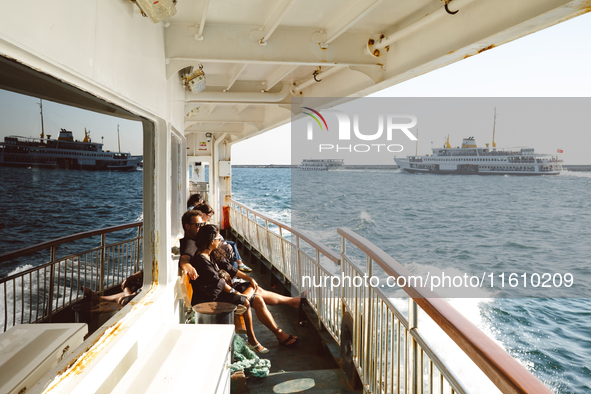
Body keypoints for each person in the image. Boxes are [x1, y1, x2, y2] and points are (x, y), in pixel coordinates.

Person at [189, 224, 303, 353]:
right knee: (245, 301)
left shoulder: (211, 253)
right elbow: (218, 283)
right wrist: (237, 293)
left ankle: (280, 331)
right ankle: (252, 340)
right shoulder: (201, 260)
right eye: (218, 238)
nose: (220, 241)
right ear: (211, 241)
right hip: (210, 296)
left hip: (220, 290)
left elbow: (229, 268)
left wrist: (250, 279)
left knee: (256, 294)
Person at [194, 202, 252, 273]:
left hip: (213, 241)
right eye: (209, 216)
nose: (210, 218)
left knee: (231, 247)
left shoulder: (204, 223)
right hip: (209, 243)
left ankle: (237, 268)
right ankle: (238, 265)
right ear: (204, 214)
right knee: (230, 247)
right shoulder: (201, 224)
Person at [179, 209, 205, 280]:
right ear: (187, 226)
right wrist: (187, 265)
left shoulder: (195, 241)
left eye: (202, 224)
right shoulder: (189, 243)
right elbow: (184, 258)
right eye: (198, 225)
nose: (201, 227)